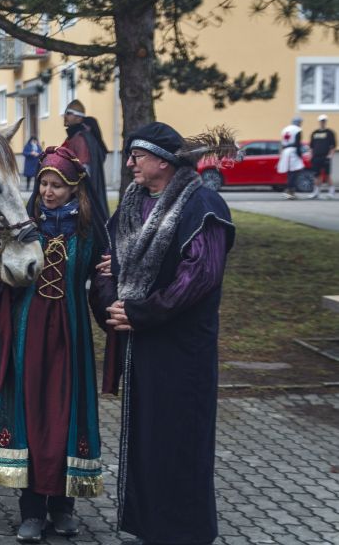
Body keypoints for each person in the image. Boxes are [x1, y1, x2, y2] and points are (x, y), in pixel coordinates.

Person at [103, 122, 236, 545]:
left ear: (162, 161)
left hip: (182, 349)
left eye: (137, 156)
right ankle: (150, 527)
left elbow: (200, 276)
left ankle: (184, 533)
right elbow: (109, 261)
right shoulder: (133, 203)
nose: (129, 164)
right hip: (141, 344)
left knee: (180, 439)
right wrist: (111, 303)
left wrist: (141, 312)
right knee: (146, 438)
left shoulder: (202, 204)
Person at [0, 146, 107, 543]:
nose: (48, 191)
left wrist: (116, 300)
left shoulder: (89, 232)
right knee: (29, 416)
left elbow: (103, 281)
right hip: (26, 335)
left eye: (56, 185)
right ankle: (31, 512)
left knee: (66, 415)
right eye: (44, 183)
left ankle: (63, 508)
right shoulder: (22, 230)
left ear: (74, 188)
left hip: (72, 337)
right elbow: (4, 276)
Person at [61, 101, 110, 221]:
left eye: (69, 113)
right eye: (65, 113)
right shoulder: (73, 136)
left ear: (79, 118)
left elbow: (84, 170)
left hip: (80, 194)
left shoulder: (81, 138)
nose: (65, 116)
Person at [308, 114, 335, 199]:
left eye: (324, 121)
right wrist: (310, 155)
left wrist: (330, 156)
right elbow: (311, 146)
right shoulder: (315, 133)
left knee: (327, 175)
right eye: (321, 121)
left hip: (325, 157)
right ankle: (316, 192)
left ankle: (331, 192)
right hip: (316, 157)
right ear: (319, 122)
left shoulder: (329, 132)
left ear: (326, 122)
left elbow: (333, 146)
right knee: (316, 175)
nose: (322, 122)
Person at [277, 116, 304, 200]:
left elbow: (282, 142)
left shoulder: (285, 129)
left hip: (285, 151)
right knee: (294, 172)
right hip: (293, 151)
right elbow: (298, 143)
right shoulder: (297, 130)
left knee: (290, 172)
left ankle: (290, 191)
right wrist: (300, 155)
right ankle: (290, 191)